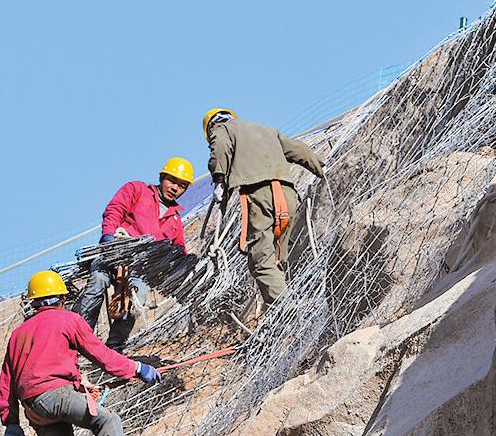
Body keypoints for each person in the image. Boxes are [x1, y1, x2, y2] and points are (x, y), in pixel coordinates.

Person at [0, 270, 163, 436]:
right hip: (56, 394)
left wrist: (11, 423)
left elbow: (6, 383)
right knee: (106, 420)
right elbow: (104, 357)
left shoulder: (18, 334)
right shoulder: (68, 320)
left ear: (34, 302)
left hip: (34, 409)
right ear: (61, 298)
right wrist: (136, 368)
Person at [203, 109, 325, 306]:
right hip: (287, 194)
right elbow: (298, 150)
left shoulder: (221, 129)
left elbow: (221, 148)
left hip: (260, 195)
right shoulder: (266, 130)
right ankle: (293, 298)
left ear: (210, 128)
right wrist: (320, 168)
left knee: (261, 258)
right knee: (280, 255)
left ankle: (285, 311)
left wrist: (219, 178)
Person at [87, 157, 193, 347]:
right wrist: (108, 235)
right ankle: (79, 337)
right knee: (98, 282)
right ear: (162, 177)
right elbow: (115, 209)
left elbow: (179, 251)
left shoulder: (175, 220)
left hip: (140, 269)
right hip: (115, 252)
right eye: (172, 181)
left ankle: (114, 348)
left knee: (138, 297)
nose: (175, 188)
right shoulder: (137, 190)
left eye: (182, 185)